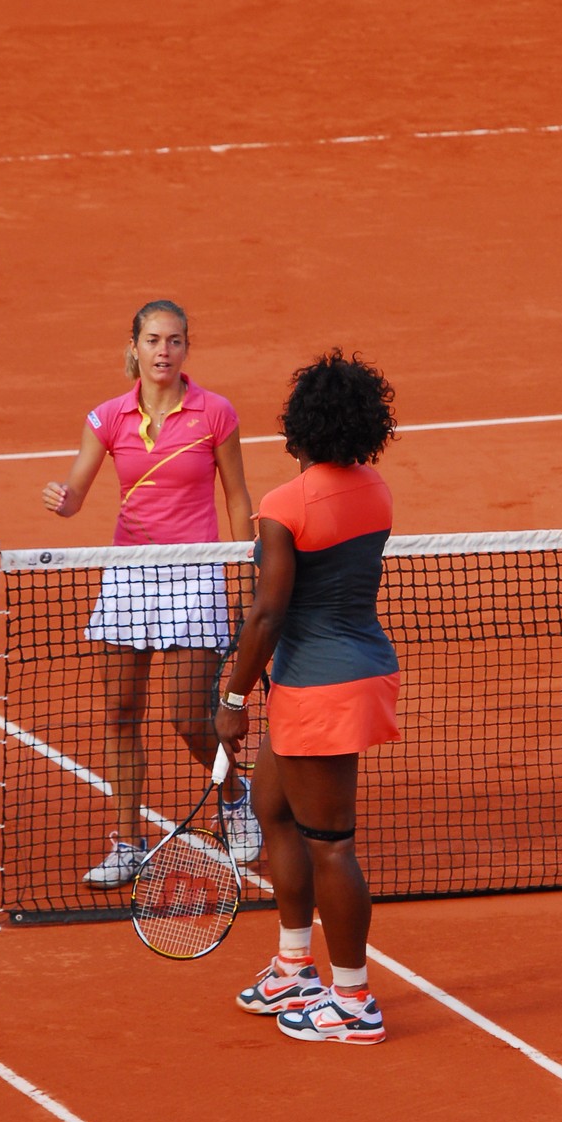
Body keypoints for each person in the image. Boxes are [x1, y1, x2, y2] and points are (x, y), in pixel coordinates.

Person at [215, 350, 399, 1046]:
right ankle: (296, 967)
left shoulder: (285, 507)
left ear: (301, 426)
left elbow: (269, 613)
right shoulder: (375, 488)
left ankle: (353, 1001)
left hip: (324, 689)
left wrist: (232, 696)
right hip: (338, 675)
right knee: (273, 808)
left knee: (332, 845)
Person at [42, 299, 260, 883]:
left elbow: (238, 500)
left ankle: (238, 797)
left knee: (191, 718)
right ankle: (129, 843)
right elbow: (77, 494)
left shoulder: (215, 413)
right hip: (129, 576)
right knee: (119, 714)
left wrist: (244, 578)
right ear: (133, 346)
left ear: (187, 348)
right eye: (154, 340)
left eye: (175, 341)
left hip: (195, 574)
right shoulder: (108, 417)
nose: (164, 351)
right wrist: (64, 502)